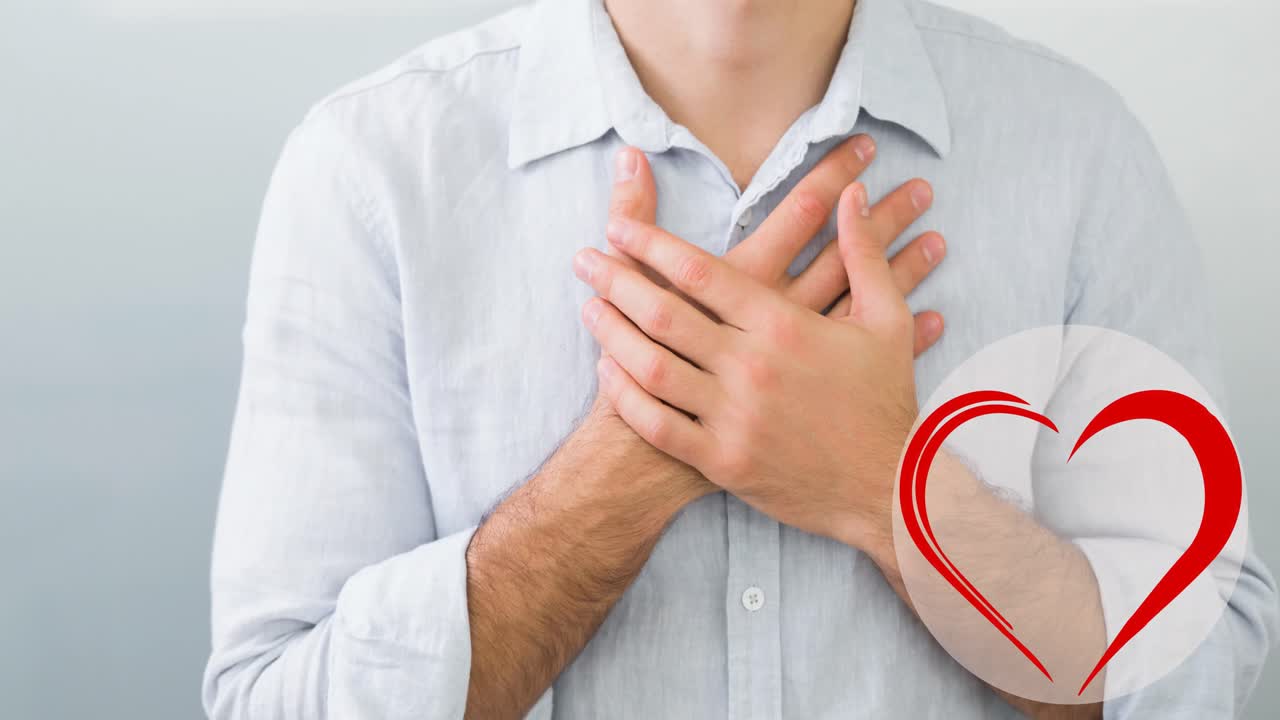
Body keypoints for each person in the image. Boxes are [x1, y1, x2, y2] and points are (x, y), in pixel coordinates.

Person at [202, 0, 1276, 718]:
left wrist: (884, 490)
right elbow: (271, 700)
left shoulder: (1081, 153)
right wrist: (633, 463)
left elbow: (1203, 669)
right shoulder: (372, 170)